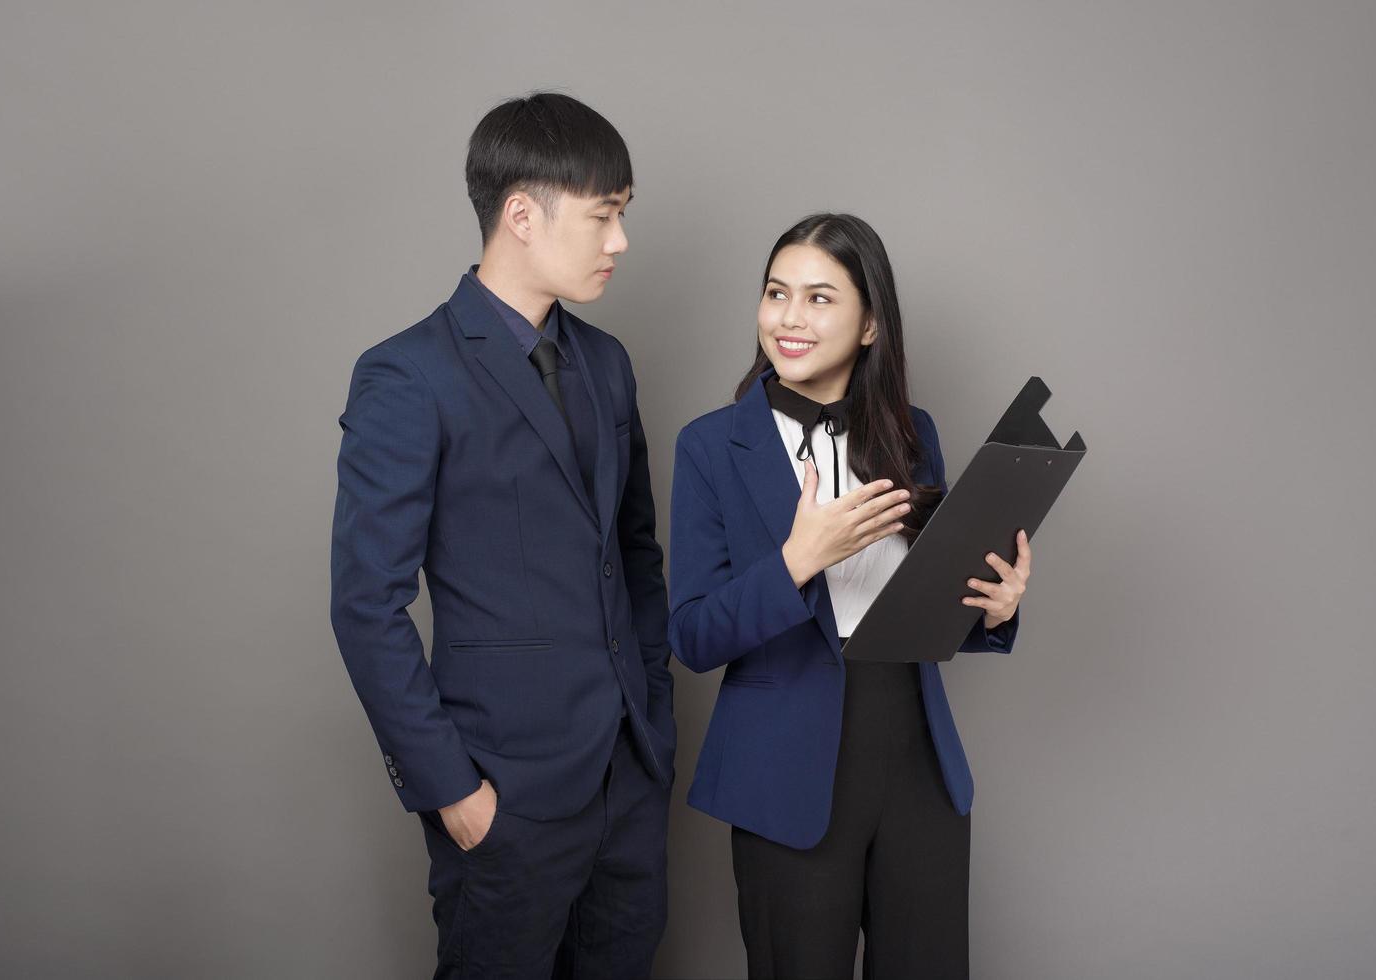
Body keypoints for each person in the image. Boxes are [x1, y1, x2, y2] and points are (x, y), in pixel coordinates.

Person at [330, 92, 674, 980]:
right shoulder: (409, 374)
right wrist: (452, 790)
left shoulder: (607, 363)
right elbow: (367, 604)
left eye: (623, 217)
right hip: (501, 790)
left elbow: (634, 558)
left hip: (626, 781)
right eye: (604, 217)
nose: (620, 242)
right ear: (521, 214)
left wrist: (655, 730)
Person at [668, 213, 1032, 979]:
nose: (789, 319)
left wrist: (994, 609)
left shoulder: (912, 431)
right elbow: (693, 635)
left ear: (871, 324)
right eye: (776, 293)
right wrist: (797, 561)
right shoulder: (710, 446)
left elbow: (921, 603)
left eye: (819, 298)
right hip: (785, 773)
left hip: (917, 767)